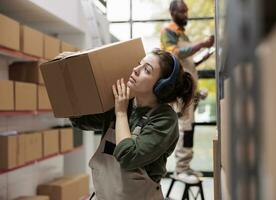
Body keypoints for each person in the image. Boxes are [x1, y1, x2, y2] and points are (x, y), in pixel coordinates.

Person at [69, 49, 195, 200]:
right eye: (139, 65)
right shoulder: (123, 102)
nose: (135, 70)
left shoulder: (165, 119)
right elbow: (81, 120)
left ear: (161, 86)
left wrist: (120, 113)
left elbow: (128, 157)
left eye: (146, 70)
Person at [160, 0, 215, 184]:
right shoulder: (168, 31)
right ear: (173, 12)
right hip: (181, 90)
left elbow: (186, 64)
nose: (186, 15)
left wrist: (201, 57)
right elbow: (174, 54)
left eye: (186, 11)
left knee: (190, 128)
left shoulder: (182, 34)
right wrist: (201, 44)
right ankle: (180, 169)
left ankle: (186, 165)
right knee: (185, 128)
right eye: (183, 11)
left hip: (189, 89)